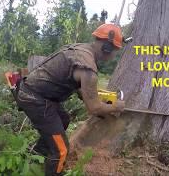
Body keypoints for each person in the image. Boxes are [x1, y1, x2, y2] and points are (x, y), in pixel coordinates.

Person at [16, 23, 126, 176]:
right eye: (116, 51)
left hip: (37, 93)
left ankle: (37, 154)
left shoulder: (81, 49)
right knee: (61, 150)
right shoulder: (88, 69)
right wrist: (116, 107)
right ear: (107, 48)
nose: (115, 55)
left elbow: (77, 86)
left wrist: (93, 95)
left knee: (64, 120)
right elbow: (94, 108)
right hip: (36, 99)